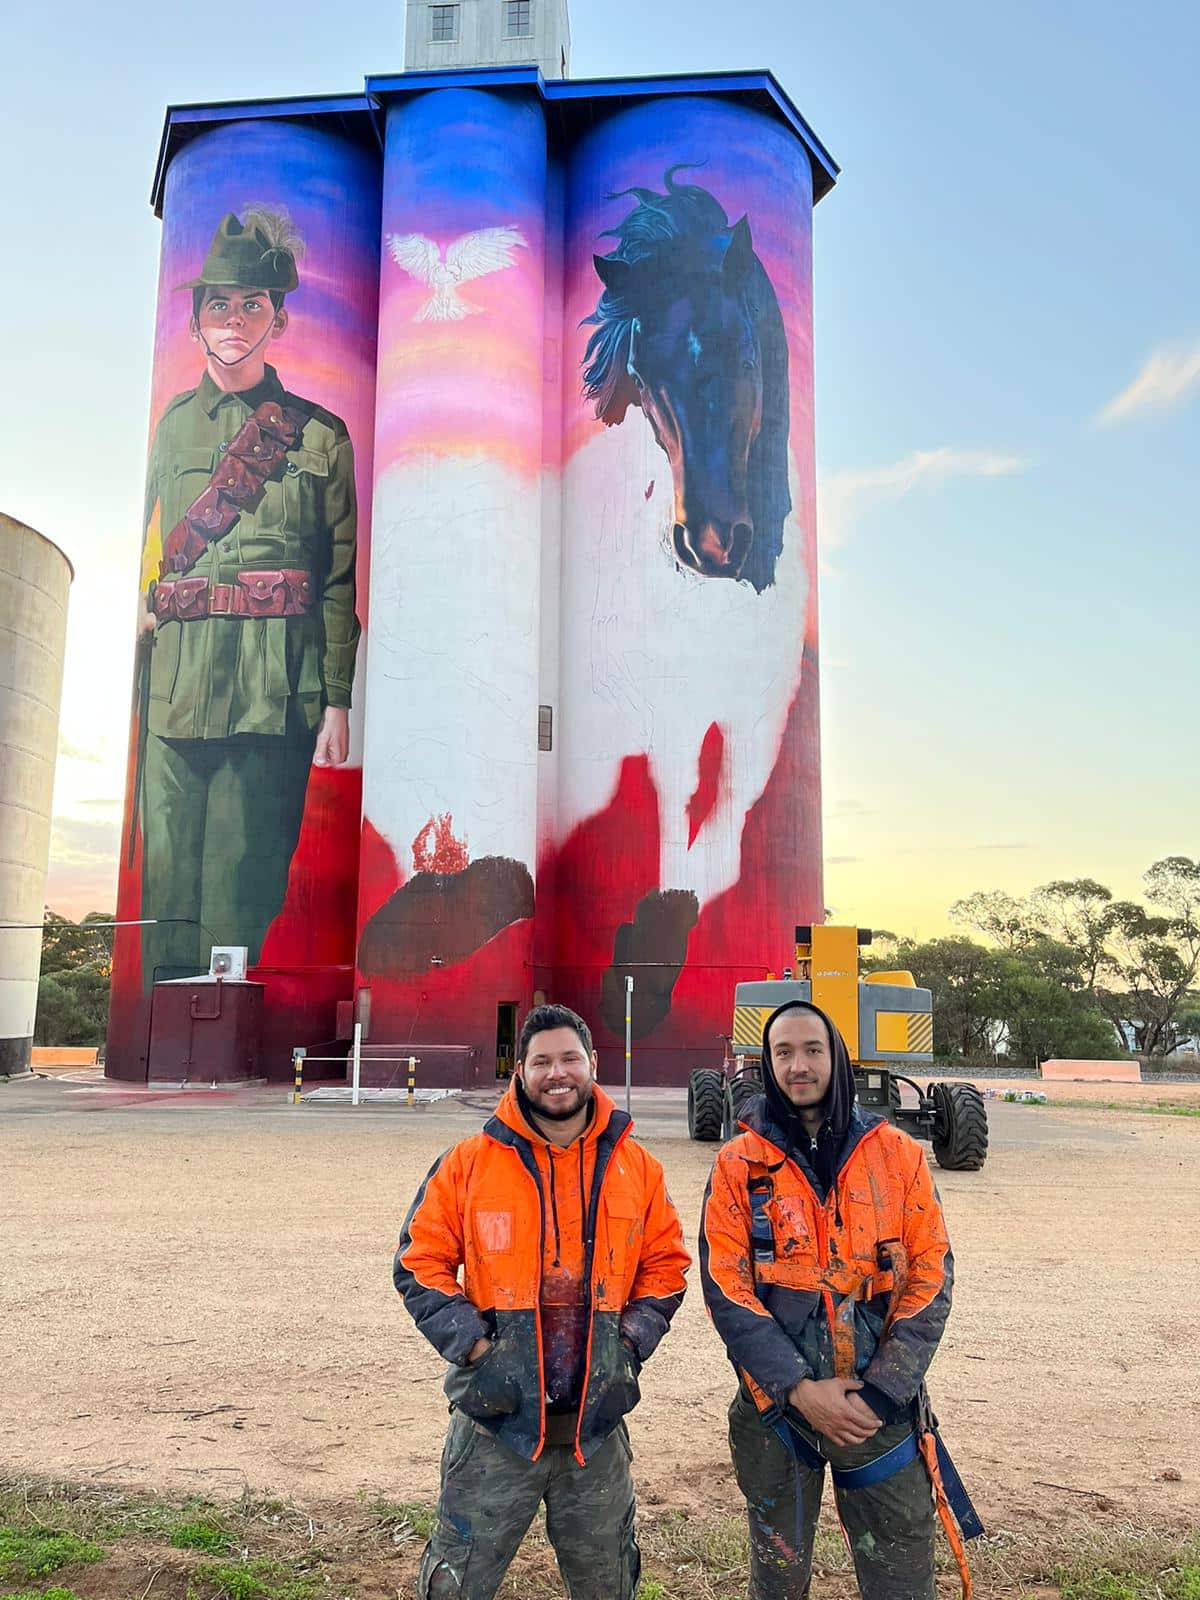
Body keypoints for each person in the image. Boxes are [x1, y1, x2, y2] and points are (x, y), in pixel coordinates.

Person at [394, 1003, 690, 1600]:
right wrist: (479, 1349)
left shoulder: (639, 1169)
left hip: (595, 1435)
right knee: (457, 1584)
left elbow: (667, 1267)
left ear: (593, 1064)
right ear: (520, 1071)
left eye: (569, 1059)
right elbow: (416, 1262)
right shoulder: (468, 1165)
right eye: (542, 1062)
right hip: (494, 1428)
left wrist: (626, 1344)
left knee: (609, 1584)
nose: (558, 1073)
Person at [135, 206, 360, 985]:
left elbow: (338, 581)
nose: (233, 320)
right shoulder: (169, 430)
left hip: (272, 696)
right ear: (196, 319)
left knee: (243, 879)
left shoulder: (320, 437)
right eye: (218, 304)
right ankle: (162, 1040)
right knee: (164, 881)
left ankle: (222, 1030)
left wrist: (338, 701)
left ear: (279, 317)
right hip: (175, 690)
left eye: (251, 305)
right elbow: (150, 554)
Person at [700, 1000, 962, 1600]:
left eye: (812, 1050)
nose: (799, 1066)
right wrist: (797, 1388)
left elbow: (931, 1273)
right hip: (778, 1415)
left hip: (880, 1415)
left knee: (901, 1580)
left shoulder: (897, 1155)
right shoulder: (738, 1164)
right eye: (783, 1052)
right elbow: (727, 1288)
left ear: (836, 1058)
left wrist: (881, 1391)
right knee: (778, 1580)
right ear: (766, 1063)